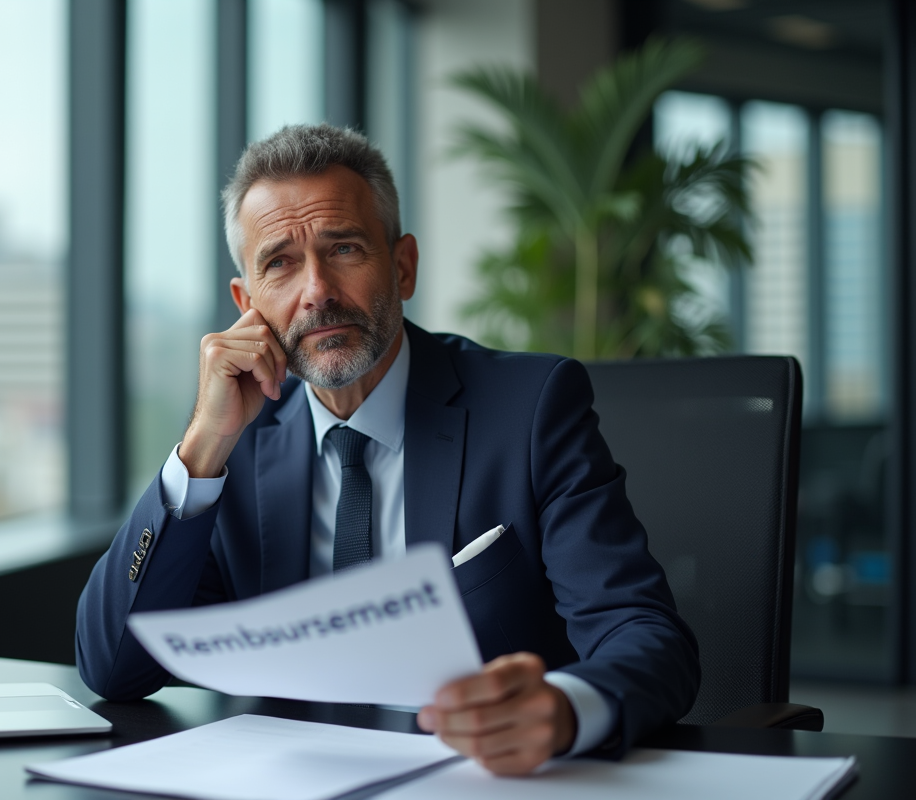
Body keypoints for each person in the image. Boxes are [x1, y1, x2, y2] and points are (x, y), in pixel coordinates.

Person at [76, 123, 699, 776]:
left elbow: (646, 636)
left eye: (343, 248)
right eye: (280, 262)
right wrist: (201, 450)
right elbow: (113, 666)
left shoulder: (531, 408)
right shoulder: (235, 438)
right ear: (246, 302)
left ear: (403, 265)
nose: (316, 290)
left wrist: (565, 708)